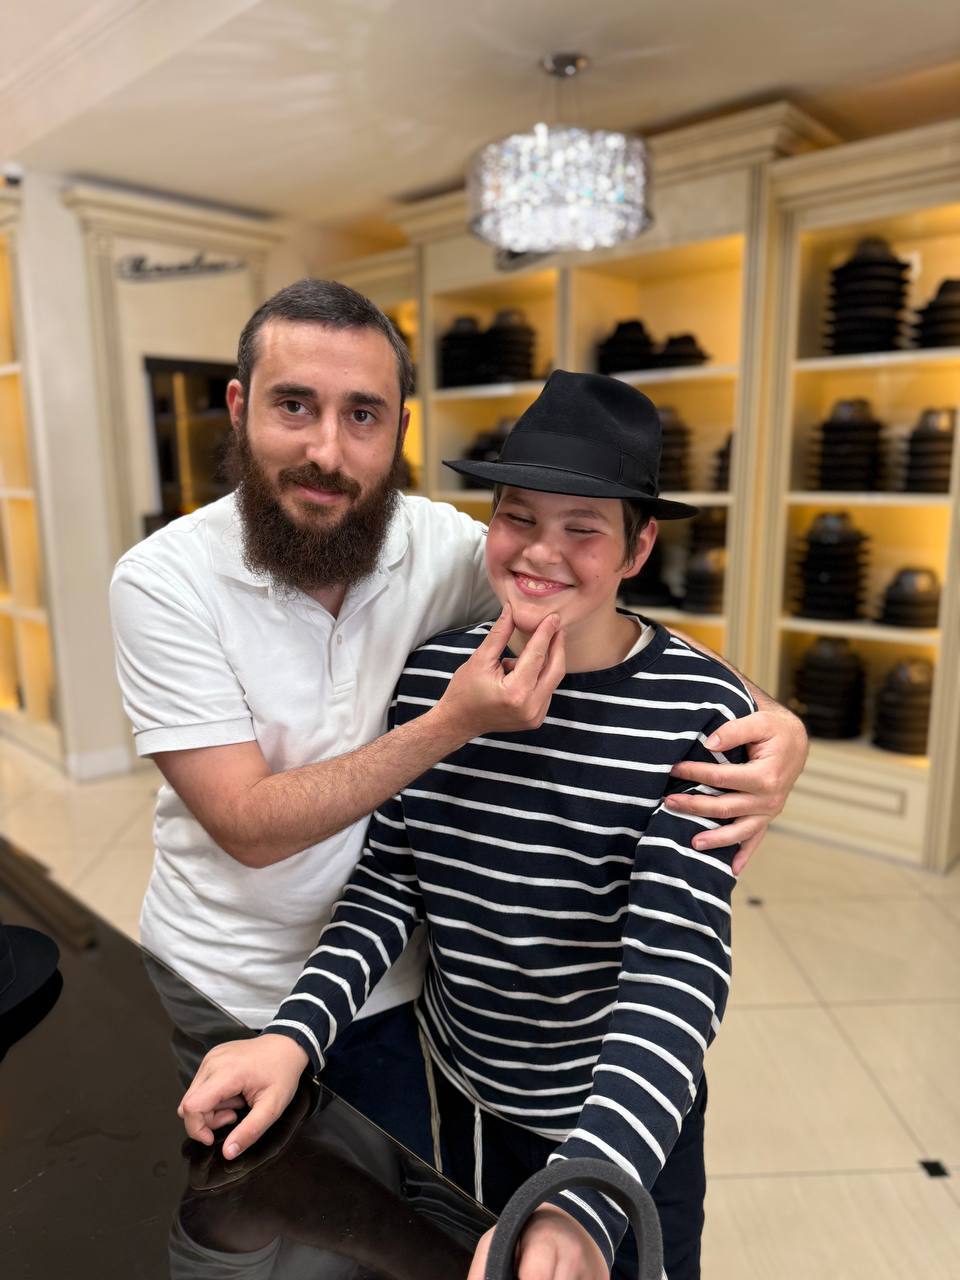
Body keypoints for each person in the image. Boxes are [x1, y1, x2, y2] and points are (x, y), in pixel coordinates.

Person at [111, 279, 805, 1160]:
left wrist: (772, 718)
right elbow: (255, 827)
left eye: (363, 414)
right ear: (241, 408)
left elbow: (593, 608)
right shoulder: (162, 583)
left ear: (399, 428)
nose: (327, 449)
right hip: (231, 978)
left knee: (400, 1198)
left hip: (412, 995)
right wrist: (452, 723)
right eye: (295, 405)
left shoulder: (444, 547)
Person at [178, 371, 763, 1280]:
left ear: (639, 545)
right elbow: (391, 887)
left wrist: (585, 1192)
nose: (542, 552)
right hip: (467, 1099)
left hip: (624, 1127)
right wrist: (292, 1037)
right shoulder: (434, 684)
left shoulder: (703, 716)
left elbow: (675, 969)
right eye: (518, 517)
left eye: (584, 528)